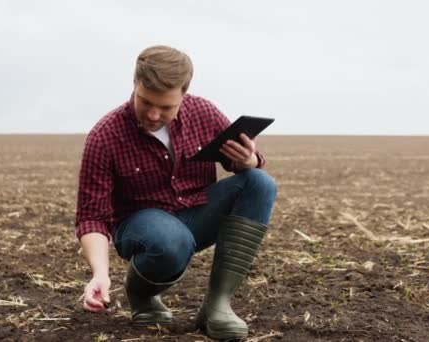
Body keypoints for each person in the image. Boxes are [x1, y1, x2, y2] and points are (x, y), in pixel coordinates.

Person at [75, 45, 277, 340]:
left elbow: (244, 161)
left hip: (197, 212)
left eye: (167, 107)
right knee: (171, 240)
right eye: (146, 102)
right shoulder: (105, 136)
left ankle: (217, 306)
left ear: (185, 94)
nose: (154, 114)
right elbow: (92, 217)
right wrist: (100, 274)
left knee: (260, 182)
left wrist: (249, 159)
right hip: (142, 226)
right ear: (134, 84)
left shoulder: (203, 113)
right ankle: (141, 294)